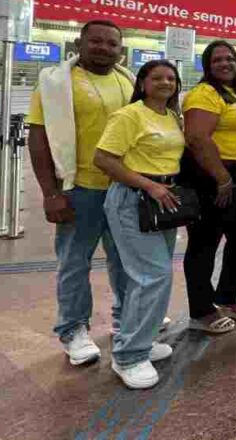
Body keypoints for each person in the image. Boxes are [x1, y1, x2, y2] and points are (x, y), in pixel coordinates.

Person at [27, 20, 131, 367]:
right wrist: (50, 192)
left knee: (126, 260)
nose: (103, 48)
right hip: (79, 189)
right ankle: (73, 330)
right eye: (96, 41)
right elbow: (39, 138)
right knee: (74, 262)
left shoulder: (128, 81)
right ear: (79, 43)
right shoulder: (56, 84)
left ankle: (126, 320)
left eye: (111, 43)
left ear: (121, 49)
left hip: (123, 188)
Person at [94, 60, 185, 389]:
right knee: (152, 275)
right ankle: (128, 356)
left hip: (162, 202)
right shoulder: (129, 115)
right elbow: (103, 159)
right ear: (142, 82)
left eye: (171, 78)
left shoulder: (170, 116)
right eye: (157, 77)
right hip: (134, 200)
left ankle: (141, 342)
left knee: (151, 276)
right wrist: (148, 185)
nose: (166, 82)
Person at [182, 41, 236, 335]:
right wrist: (221, 178)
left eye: (230, 59)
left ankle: (228, 296)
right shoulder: (204, 94)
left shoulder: (235, 93)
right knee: (205, 242)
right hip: (213, 177)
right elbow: (197, 139)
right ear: (207, 64)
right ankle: (200, 310)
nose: (225, 63)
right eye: (217, 60)